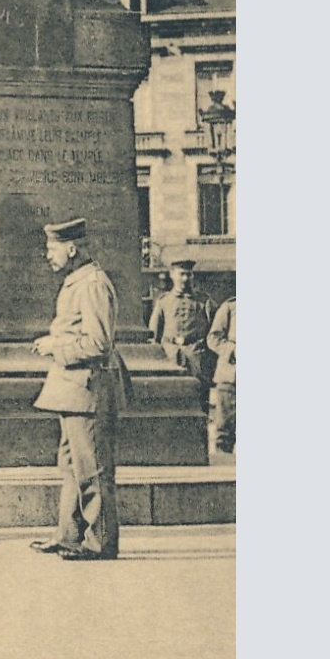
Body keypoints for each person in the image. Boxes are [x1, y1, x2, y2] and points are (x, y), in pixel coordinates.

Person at [30, 218, 129, 562]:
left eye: (52, 249)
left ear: (71, 249)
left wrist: (55, 345)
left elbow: (99, 343)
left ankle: (100, 542)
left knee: (92, 469)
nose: (48, 255)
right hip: (73, 390)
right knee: (71, 465)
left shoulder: (92, 284)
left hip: (88, 389)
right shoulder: (78, 281)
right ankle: (69, 536)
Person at [149, 259, 215, 409]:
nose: (185, 279)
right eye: (182, 274)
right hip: (170, 355)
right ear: (172, 275)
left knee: (200, 401)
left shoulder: (204, 301)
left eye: (189, 274)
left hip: (197, 357)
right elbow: (153, 334)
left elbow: (215, 332)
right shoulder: (163, 302)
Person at [207, 296, 236, 454]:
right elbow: (213, 338)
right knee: (224, 431)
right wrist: (232, 350)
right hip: (231, 377)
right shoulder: (230, 307)